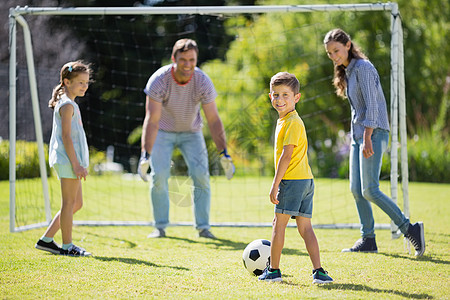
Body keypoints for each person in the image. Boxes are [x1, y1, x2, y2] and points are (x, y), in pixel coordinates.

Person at [323, 28, 425, 256]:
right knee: (356, 190)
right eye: (330, 53)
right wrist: (360, 137)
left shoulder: (364, 68)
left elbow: (372, 105)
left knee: (370, 189)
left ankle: (410, 229)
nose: (334, 56)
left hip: (374, 133)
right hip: (359, 136)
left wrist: (368, 137)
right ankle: (368, 239)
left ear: (348, 45)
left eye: (336, 50)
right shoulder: (347, 71)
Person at [138, 38, 235, 239]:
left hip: (192, 132)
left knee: (201, 175)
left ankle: (203, 227)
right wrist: (145, 154)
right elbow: (152, 119)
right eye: (183, 60)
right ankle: (160, 227)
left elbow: (214, 120)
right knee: (159, 176)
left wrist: (224, 153)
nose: (188, 64)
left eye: (192, 60)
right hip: (163, 132)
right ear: (174, 59)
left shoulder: (202, 81)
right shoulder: (159, 80)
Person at [258, 72, 333, 284]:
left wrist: (275, 184)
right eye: (275, 95)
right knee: (305, 227)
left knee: (278, 225)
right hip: (306, 181)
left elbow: (287, 155)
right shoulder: (286, 120)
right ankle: (319, 272)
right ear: (270, 96)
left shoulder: (292, 122)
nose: (280, 100)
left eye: (285, 95)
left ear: (296, 98)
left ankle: (274, 271)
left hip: (292, 182)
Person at [35, 61, 92, 257]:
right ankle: (68, 246)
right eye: (80, 83)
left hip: (71, 161)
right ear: (67, 82)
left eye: (86, 82)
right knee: (69, 203)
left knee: (76, 204)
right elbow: (66, 137)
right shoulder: (67, 105)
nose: (84, 86)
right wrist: (76, 165)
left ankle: (46, 240)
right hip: (68, 161)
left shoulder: (70, 103)